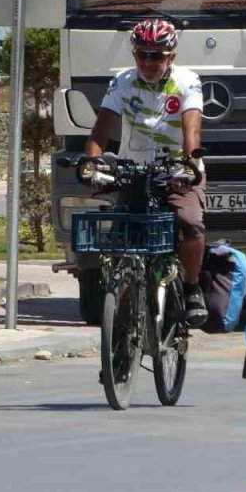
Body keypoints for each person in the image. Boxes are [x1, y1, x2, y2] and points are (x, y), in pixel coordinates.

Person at [83, 18, 209, 327]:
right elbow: (100, 132)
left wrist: (190, 164)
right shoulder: (122, 82)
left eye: (157, 55)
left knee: (190, 223)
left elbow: (192, 130)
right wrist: (92, 163)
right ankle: (122, 323)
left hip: (176, 169)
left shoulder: (187, 81)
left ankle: (192, 289)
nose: (148, 62)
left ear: (171, 56)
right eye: (142, 54)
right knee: (121, 238)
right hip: (135, 170)